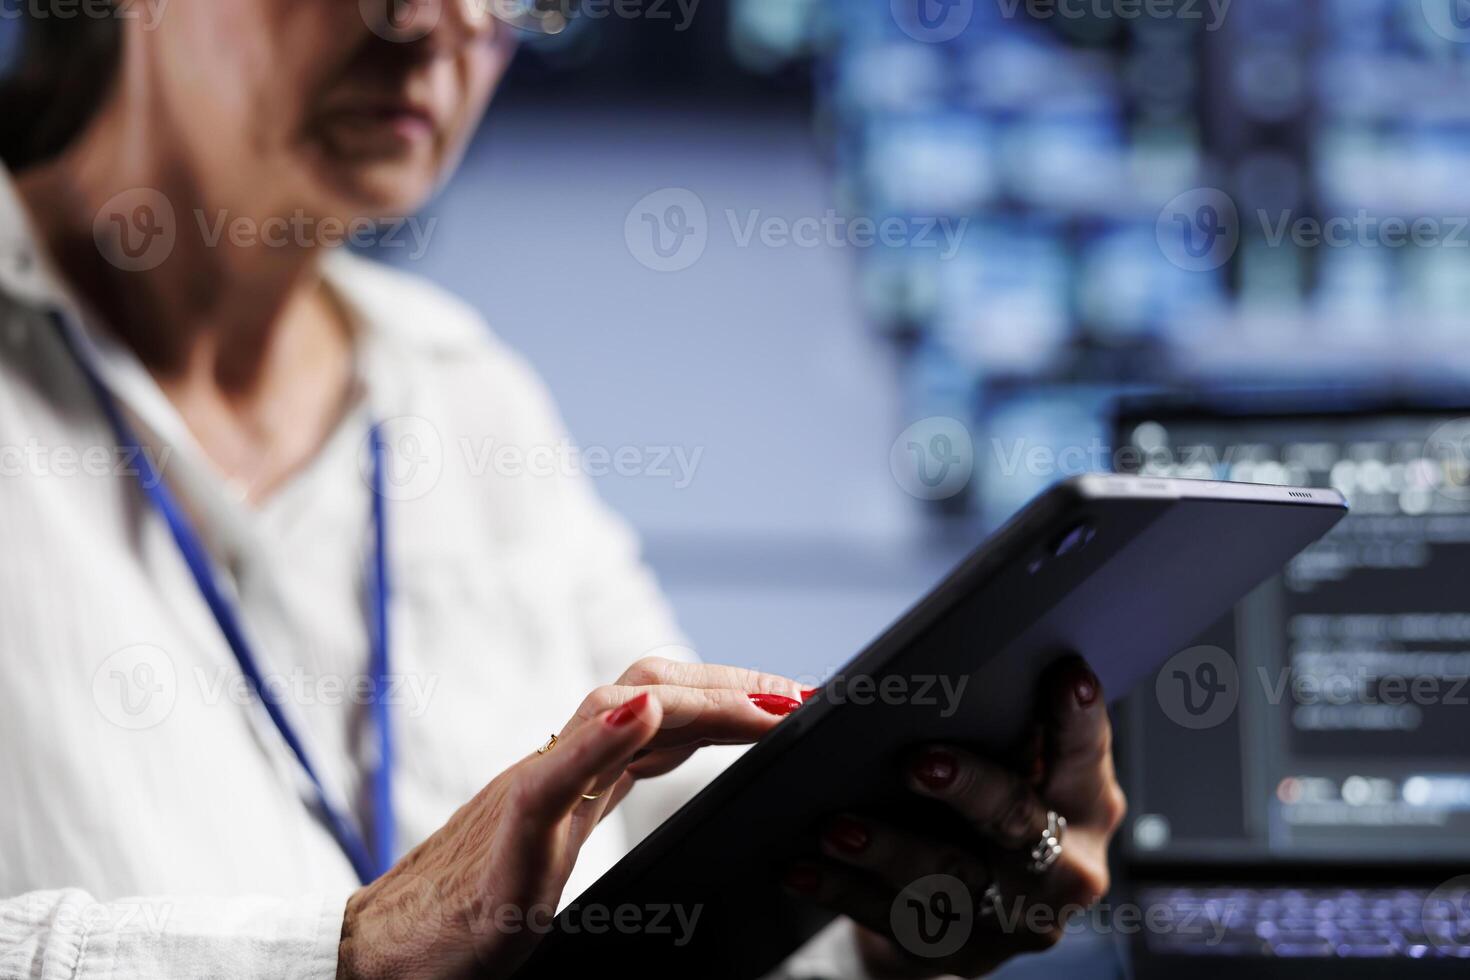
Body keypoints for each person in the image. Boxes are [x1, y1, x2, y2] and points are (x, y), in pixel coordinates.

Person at [0, 3, 1126, 977]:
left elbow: (676, 896)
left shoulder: (467, 393)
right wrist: (349, 951)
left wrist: (889, 920)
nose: (438, 26)